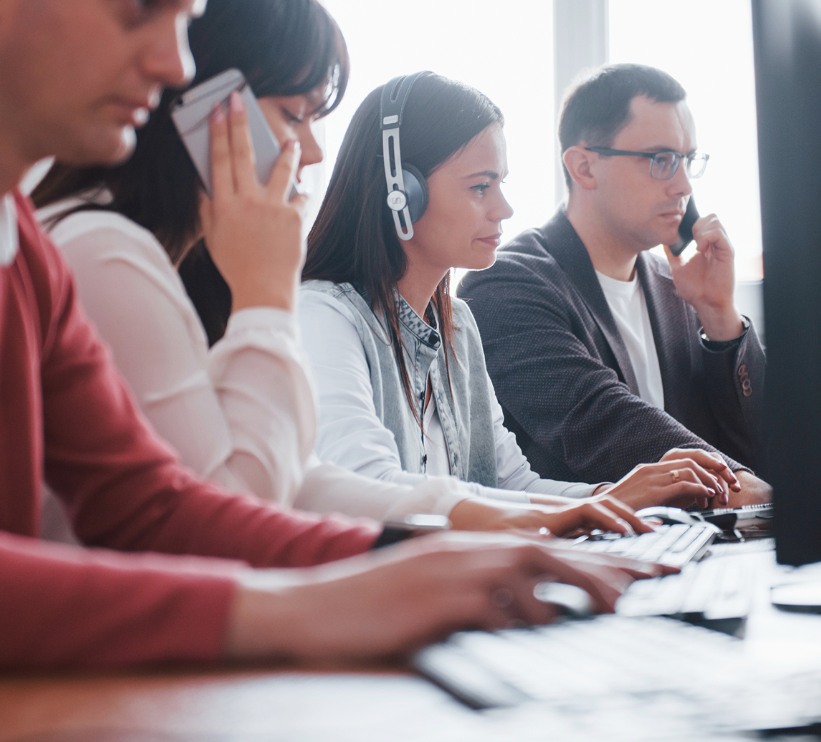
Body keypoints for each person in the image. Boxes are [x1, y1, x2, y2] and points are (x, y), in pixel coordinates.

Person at [0, 0, 658, 671]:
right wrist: (309, 601)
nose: (175, 62)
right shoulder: (92, 250)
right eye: (140, 1)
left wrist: (410, 554)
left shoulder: (20, 257)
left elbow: (153, 510)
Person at [33, 0, 655, 538]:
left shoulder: (170, 271)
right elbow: (238, 506)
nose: (311, 151)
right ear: (199, 110)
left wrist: (577, 510)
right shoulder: (109, 253)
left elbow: (299, 481)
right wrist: (266, 295)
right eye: (293, 114)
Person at [300, 71, 737, 517]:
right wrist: (584, 508)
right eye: (479, 187)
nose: (503, 208)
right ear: (401, 193)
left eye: (500, 184)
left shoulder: (458, 326)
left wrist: (609, 497)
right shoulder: (324, 317)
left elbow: (511, 482)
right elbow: (370, 489)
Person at [459, 64, 771, 505]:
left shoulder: (677, 287)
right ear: (584, 167)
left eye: (687, 160)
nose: (682, 185)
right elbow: (601, 422)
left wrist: (720, 315)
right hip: (585, 558)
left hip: (697, 551)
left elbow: (767, 446)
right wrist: (768, 498)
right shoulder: (505, 285)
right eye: (661, 160)